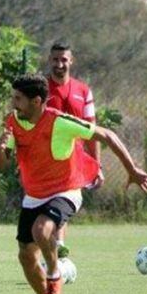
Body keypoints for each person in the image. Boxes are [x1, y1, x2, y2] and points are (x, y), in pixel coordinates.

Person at [0, 73, 147, 294]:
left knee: (41, 229)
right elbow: (1, 165)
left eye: (18, 99)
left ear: (37, 101)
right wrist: (0, 149)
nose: (13, 103)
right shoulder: (15, 121)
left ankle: (55, 274)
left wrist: (132, 170)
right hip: (34, 195)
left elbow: (107, 135)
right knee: (25, 256)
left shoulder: (59, 122)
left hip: (65, 190)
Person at [46, 41, 102, 259]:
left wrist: (96, 166)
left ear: (71, 61)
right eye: (55, 59)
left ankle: (58, 251)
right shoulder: (40, 88)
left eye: (64, 60)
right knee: (48, 208)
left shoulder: (83, 91)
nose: (59, 64)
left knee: (59, 205)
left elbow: (92, 131)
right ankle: (56, 250)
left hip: (73, 161)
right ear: (49, 60)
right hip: (44, 158)